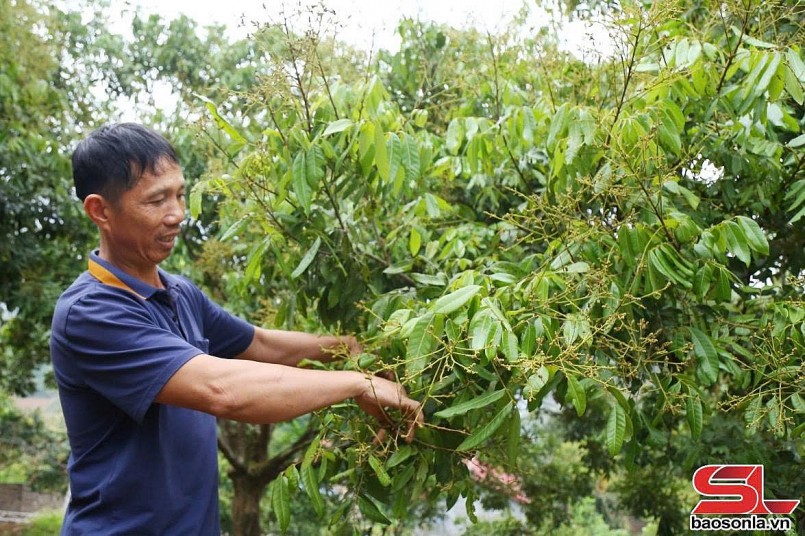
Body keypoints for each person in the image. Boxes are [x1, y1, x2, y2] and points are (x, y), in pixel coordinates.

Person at [50, 123, 422, 535]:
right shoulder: (91, 313)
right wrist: (356, 383)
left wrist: (350, 347)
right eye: (156, 201)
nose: (177, 215)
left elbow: (260, 343)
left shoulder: (179, 292)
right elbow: (223, 391)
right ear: (100, 211)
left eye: (179, 194)